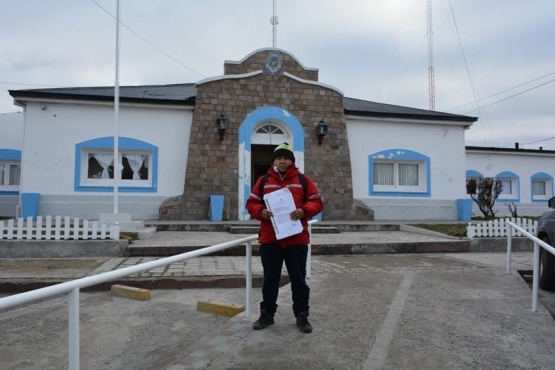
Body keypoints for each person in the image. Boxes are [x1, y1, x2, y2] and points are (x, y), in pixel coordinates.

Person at [246, 142, 324, 333]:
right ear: (274, 160)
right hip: (270, 240)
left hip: (296, 239)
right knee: (270, 280)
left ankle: (302, 315)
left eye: (286, 158)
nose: (282, 161)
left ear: (292, 160)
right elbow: (251, 203)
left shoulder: (303, 180)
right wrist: (261, 211)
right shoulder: (263, 180)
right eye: (279, 158)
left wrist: (303, 210)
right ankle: (267, 314)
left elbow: (317, 202)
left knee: (299, 280)